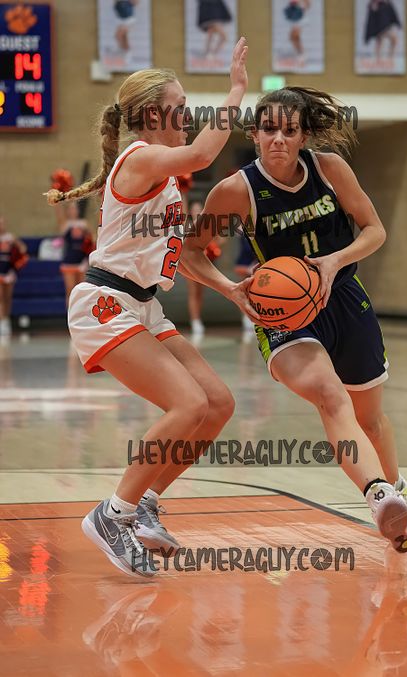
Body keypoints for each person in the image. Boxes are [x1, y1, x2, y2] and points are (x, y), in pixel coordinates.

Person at [180, 86, 407, 553]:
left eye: (289, 130)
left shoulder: (330, 169)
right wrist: (229, 289)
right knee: (331, 397)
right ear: (254, 134)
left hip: (344, 298)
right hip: (284, 314)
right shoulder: (236, 190)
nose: (278, 138)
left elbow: (375, 230)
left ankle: (396, 497)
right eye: (269, 129)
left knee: (370, 421)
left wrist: (336, 260)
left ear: (303, 136)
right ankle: (377, 494)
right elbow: (189, 253)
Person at [45, 38, 253, 578]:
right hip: (105, 303)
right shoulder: (141, 158)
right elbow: (203, 154)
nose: (189, 115)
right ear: (153, 116)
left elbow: (177, 257)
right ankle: (112, 514)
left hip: (143, 306)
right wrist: (235, 91)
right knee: (186, 404)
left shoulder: (164, 181)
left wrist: (229, 289)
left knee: (216, 403)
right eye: (181, 107)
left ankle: (143, 504)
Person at [185, 199, 224, 338]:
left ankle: (197, 320)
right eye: (194, 209)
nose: (196, 211)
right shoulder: (187, 225)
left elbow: (221, 240)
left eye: (199, 209)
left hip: (204, 262)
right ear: (190, 212)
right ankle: (195, 321)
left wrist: (212, 244)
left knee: (200, 292)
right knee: (193, 291)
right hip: (190, 264)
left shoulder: (208, 225)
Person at [55, 201, 95, 307]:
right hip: (69, 262)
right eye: (71, 208)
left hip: (82, 262)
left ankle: (81, 313)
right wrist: (58, 203)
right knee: (70, 290)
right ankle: (70, 314)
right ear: (68, 211)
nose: (73, 210)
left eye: (75, 208)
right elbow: (59, 215)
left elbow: (92, 240)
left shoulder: (84, 223)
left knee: (82, 291)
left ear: (78, 210)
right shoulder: (65, 224)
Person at [0, 216, 29, 335]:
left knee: (7, 297)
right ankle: (1, 321)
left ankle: (6, 319)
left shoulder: (10, 237)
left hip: (8, 271)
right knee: (0, 297)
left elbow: (23, 248)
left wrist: (16, 245)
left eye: (2, 223)